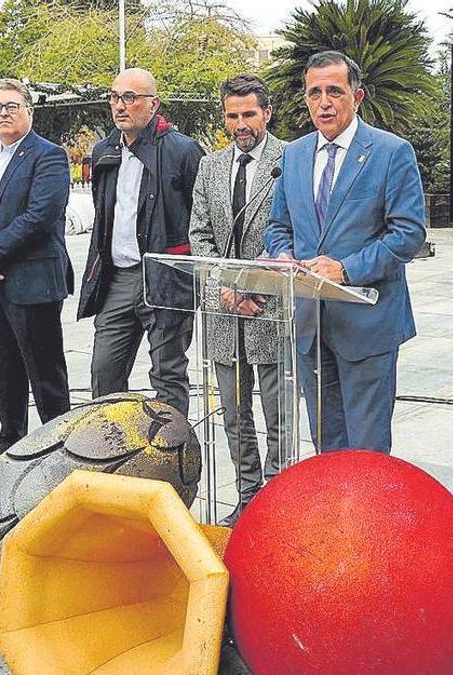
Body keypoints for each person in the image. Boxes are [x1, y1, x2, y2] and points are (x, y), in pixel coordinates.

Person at [263, 50, 426, 454]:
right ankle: (334, 521)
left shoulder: (391, 152)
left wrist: (346, 269)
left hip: (367, 326)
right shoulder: (293, 155)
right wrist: (283, 256)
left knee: (366, 454)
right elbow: (278, 226)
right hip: (310, 328)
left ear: (358, 96)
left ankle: (369, 520)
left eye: (334, 91)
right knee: (327, 450)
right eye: (314, 92)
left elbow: (408, 233)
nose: (324, 102)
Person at [0, 79, 73, 476]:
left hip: (33, 282)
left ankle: (59, 450)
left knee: (45, 373)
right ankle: (9, 444)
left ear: (29, 111)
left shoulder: (49, 156)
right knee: (2, 368)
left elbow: (39, 217)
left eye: (11, 105)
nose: (2, 113)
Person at [189, 74, 287, 526]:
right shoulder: (209, 167)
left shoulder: (290, 160)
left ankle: (278, 504)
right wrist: (224, 290)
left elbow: (292, 234)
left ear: (266, 113)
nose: (241, 123)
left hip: (271, 310)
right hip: (224, 314)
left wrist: (255, 290)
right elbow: (199, 237)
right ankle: (248, 498)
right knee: (233, 415)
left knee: (278, 417)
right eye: (233, 115)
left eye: (249, 114)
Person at [77, 68, 205, 414]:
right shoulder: (104, 151)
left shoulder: (182, 150)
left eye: (130, 98)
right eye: (115, 97)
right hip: (117, 278)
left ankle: (172, 457)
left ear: (153, 103)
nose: (121, 106)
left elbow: (203, 216)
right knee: (104, 374)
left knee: (167, 374)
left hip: (165, 277)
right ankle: (108, 454)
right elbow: (104, 216)